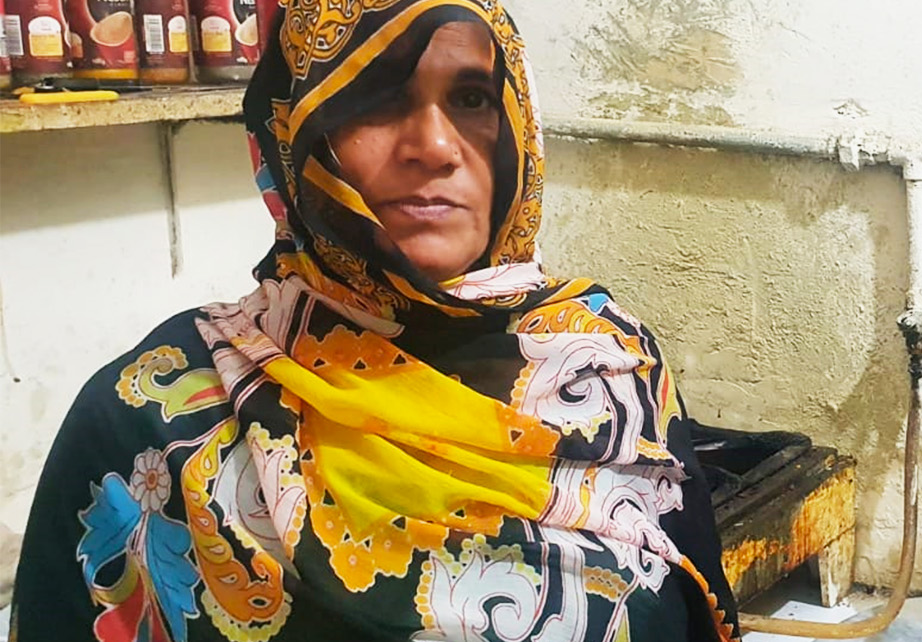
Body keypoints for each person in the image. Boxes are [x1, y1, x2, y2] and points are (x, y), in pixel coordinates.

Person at [11, 0, 739, 639]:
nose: (435, 147)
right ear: (294, 131)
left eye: (472, 99)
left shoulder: (611, 363)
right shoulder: (150, 418)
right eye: (375, 97)